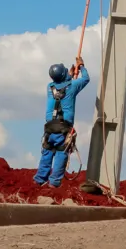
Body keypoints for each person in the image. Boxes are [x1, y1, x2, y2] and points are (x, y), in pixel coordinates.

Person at [34, 58, 89, 188]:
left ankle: (39, 180)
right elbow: (86, 79)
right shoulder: (73, 86)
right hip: (63, 127)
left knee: (47, 152)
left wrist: (68, 74)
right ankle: (54, 183)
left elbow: (62, 85)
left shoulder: (50, 87)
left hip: (49, 127)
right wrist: (81, 67)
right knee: (61, 152)